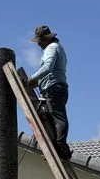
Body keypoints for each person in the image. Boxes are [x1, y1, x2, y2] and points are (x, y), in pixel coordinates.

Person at [29, 25, 72, 159]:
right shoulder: (58, 48)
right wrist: (39, 82)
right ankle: (57, 147)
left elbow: (48, 67)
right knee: (50, 116)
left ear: (47, 39)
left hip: (53, 88)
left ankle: (61, 148)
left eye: (40, 41)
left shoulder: (51, 48)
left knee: (58, 117)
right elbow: (52, 71)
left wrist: (33, 78)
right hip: (57, 87)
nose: (38, 44)